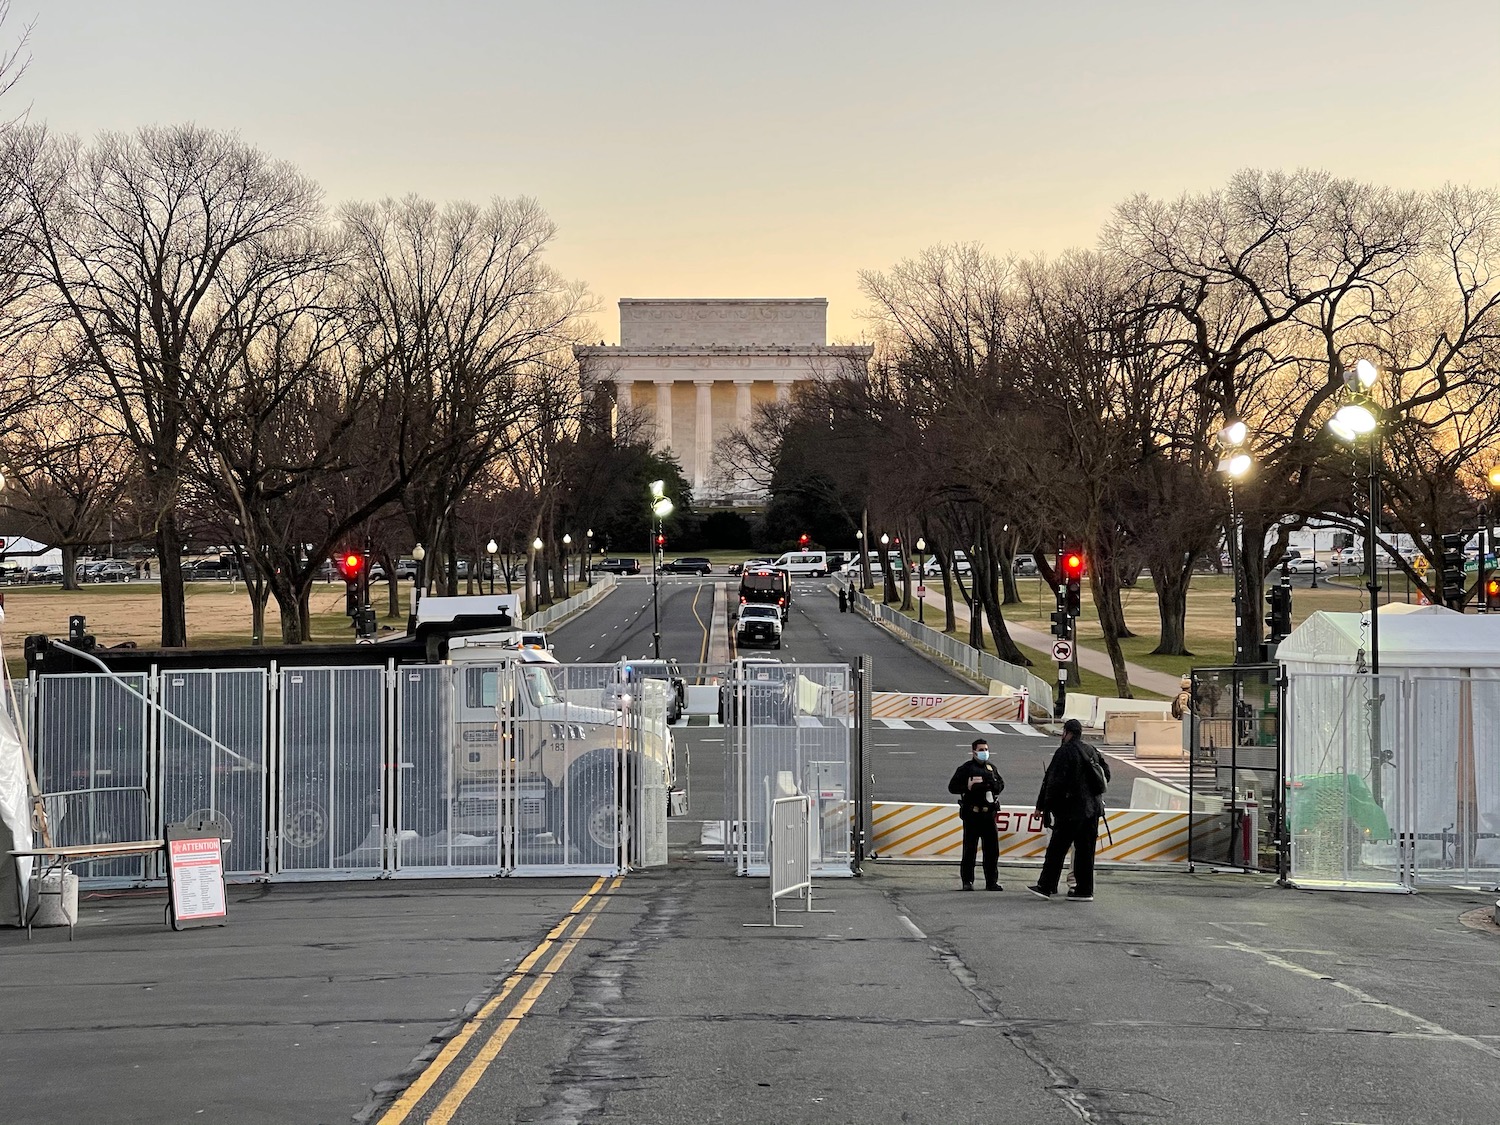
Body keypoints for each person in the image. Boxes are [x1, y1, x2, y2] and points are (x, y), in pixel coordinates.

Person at [1028, 718, 1110, 902]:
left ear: (1067, 732)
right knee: (1085, 851)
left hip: (1071, 811)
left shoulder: (1064, 752)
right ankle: (1084, 890)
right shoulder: (1091, 750)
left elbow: (1052, 782)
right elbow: (1106, 774)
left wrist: (1044, 807)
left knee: (1057, 849)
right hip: (1093, 810)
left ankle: (1046, 886)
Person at [947, 738, 1005, 891]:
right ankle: (967, 881)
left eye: (986, 749)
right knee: (970, 850)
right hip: (972, 815)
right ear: (973, 752)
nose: (984, 752)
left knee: (992, 851)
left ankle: (991, 881)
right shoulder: (966, 769)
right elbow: (952, 787)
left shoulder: (991, 768)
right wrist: (967, 786)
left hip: (988, 815)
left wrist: (993, 785)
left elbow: (1001, 785)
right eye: (981, 750)